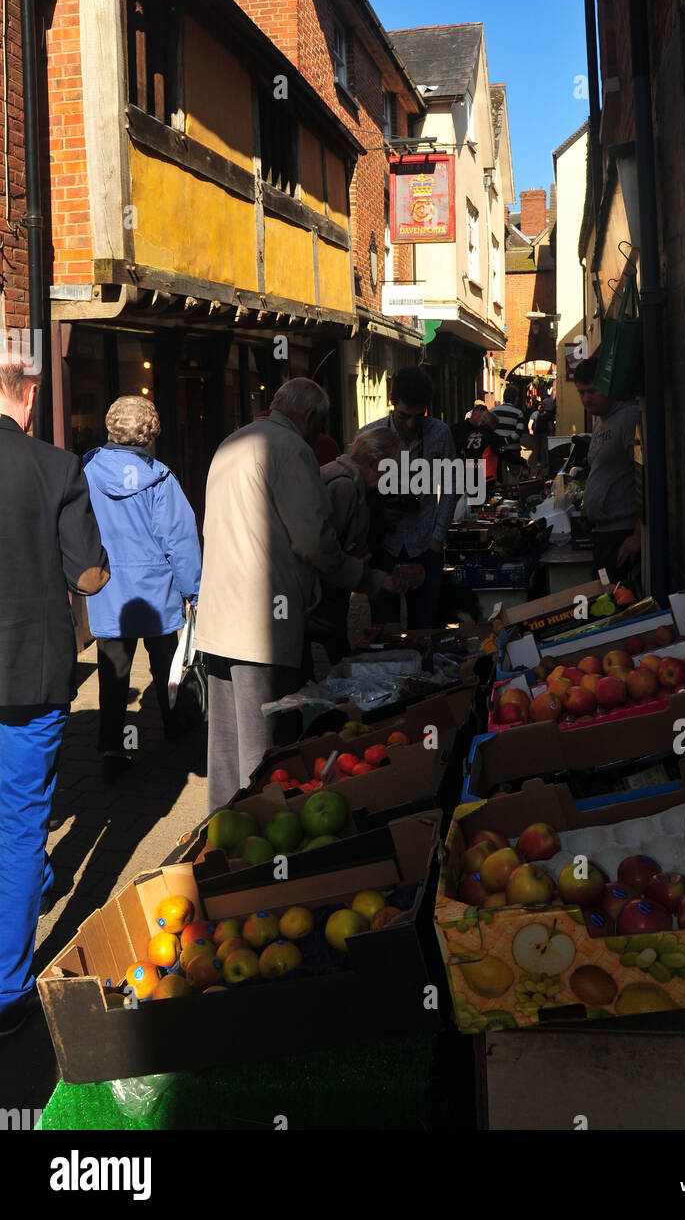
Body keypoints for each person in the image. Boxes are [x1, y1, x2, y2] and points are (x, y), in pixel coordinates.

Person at [196, 378, 403, 808]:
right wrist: (370, 580)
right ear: (310, 418)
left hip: (219, 615)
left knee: (226, 747)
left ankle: (220, 835)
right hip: (260, 621)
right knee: (262, 746)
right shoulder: (290, 450)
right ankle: (258, 842)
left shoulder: (231, 443)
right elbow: (314, 543)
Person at [0, 360, 109, 1035]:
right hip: (30, 674)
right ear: (30, 392)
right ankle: (7, 994)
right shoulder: (57, 466)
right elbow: (90, 579)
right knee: (19, 831)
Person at [83, 396, 202, 775]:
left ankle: (111, 749)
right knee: (165, 664)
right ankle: (173, 726)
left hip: (109, 589)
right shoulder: (161, 478)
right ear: (150, 431)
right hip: (155, 589)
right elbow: (179, 540)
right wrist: (194, 590)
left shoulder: (87, 471)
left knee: (113, 671)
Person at [363, 365, 459, 628]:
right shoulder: (370, 436)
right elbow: (356, 494)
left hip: (425, 544)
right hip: (383, 546)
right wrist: (377, 513)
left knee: (426, 628)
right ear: (392, 400)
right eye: (404, 415)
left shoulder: (439, 433)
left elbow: (451, 486)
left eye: (419, 417)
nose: (411, 424)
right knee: (385, 629)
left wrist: (437, 537)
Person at [310, 425, 402, 664]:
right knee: (335, 651)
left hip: (321, 587)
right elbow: (327, 551)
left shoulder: (344, 476)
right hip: (319, 591)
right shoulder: (346, 485)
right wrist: (360, 567)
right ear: (376, 464)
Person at [573, 354, 642, 580]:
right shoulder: (600, 421)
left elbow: (646, 477)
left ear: (607, 384)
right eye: (581, 393)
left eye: (592, 391)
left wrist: (638, 536)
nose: (586, 399)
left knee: (615, 602)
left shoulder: (628, 418)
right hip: (603, 534)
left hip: (621, 536)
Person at [492, 383, 526, 450]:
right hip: (512, 449)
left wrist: (497, 441)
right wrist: (506, 441)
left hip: (495, 448)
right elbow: (519, 432)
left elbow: (488, 429)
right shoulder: (518, 413)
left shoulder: (493, 411)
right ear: (515, 398)